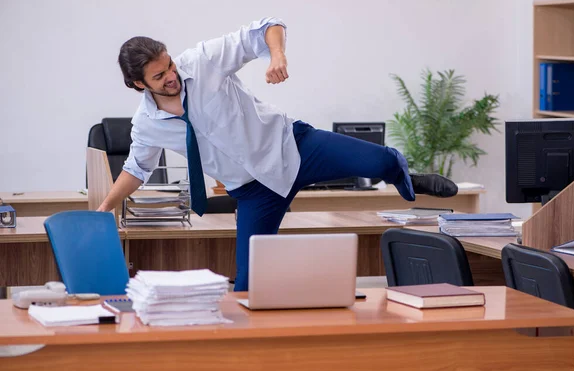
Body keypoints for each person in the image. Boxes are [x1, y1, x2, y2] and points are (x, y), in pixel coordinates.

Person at [97, 17, 458, 291]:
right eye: (160, 76)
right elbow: (136, 169)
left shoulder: (203, 60)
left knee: (380, 162)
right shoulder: (146, 124)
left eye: (170, 65)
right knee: (248, 284)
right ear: (139, 84)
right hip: (255, 191)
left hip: (292, 147)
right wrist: (104, 208)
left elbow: (268, 25)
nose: (172, 76)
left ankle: (403, 172)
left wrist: (276, 56)